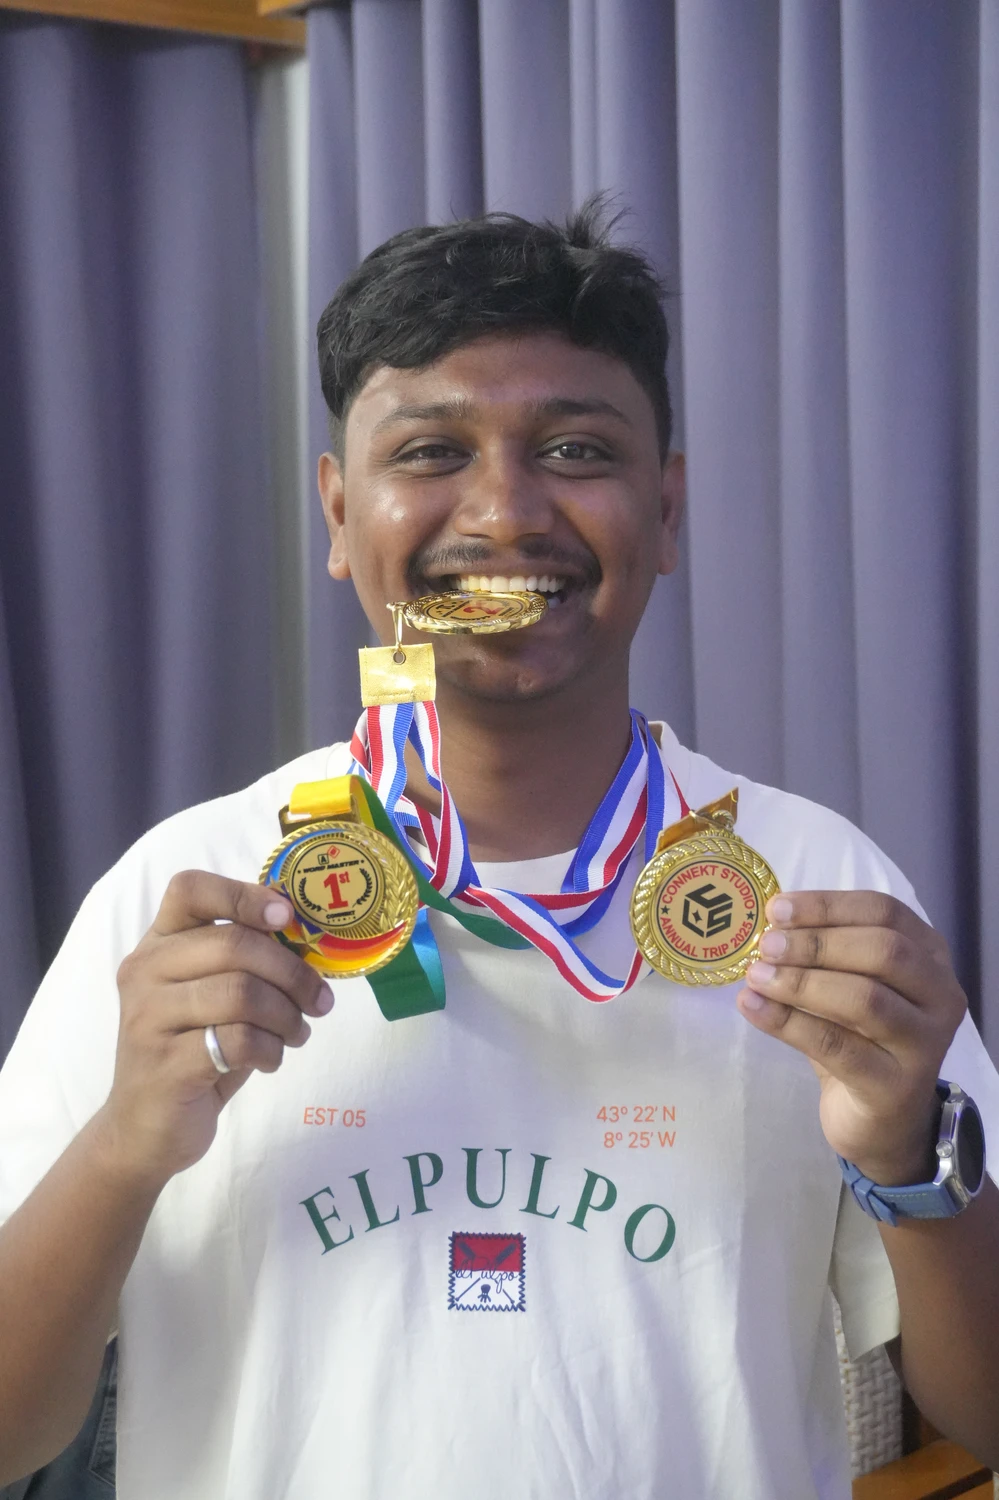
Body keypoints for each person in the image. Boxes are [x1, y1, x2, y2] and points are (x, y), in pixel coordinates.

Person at [0, 203, 997, 1500]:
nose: (505, 510)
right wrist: (130, 1140)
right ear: (340, 510)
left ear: (666, 503)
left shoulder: (817, 887)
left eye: (575, 447)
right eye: (430, 450)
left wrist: (903, 1149)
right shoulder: (182, 896)